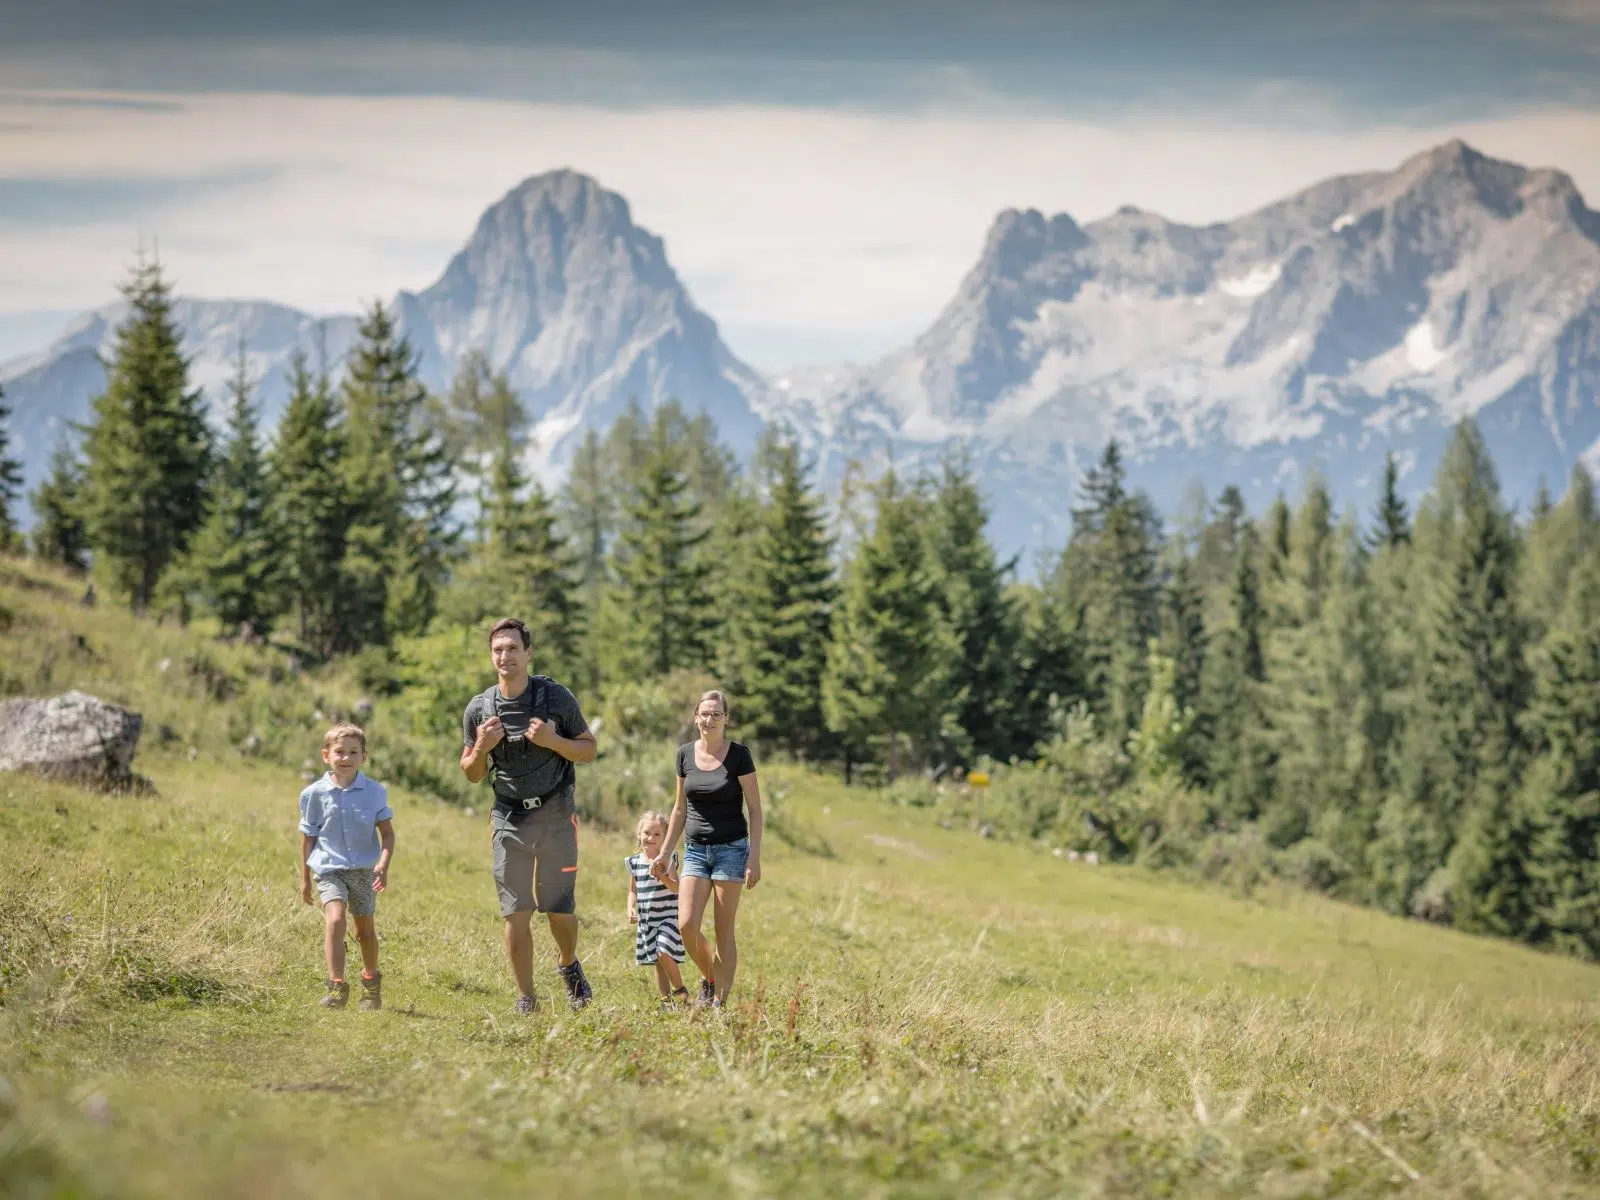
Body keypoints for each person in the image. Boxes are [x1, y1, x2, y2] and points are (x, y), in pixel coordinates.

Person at [461, 617, 598, 1013]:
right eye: (498, 650)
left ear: (528, 653)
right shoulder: (480, 708)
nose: (505, 656)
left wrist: (554, 741)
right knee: (516, 914)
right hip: (508, 818)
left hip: (556, 816)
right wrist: (482, 748)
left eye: (512, 648)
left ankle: (568, 962)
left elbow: (588, 749)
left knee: (558, 911)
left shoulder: (555, 698)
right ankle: (527, 997)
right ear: (492, 656)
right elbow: (470, 773)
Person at [653, 690, 763, 1008]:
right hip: (696, 850)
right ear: (695, 717)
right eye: (704, 713)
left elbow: (755, 809)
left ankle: (719, 1001)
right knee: (686, 924)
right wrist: (665, 852)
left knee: (723, 930)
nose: (710, 719)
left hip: (732, 850)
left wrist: (754, 856)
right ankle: (712, 979)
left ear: (726, 719)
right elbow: (678, 810)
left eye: (717, 714)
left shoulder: (739, 755)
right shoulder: (684, 754)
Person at [298, 723, 394, 1011]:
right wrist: (304, 878)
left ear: (363, 757)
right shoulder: (313, 794)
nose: (346, 758)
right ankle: (336, 985)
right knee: (336, 919)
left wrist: (383, 865)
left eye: (353, 752)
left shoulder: (375, 792)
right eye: (339, 752)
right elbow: (308, 838)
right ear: (326, 755)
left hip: (364, 871)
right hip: (328, 869)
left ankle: (370, 984)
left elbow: (388, 834)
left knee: (365, 932)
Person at [625, 810, 689, 1009]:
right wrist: (630, 907)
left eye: (657, 834)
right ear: (639, 834)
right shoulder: (634, 863)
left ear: (665, 838)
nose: (650, 838)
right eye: (646, 833)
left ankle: (681, 992)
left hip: (668, 917)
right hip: (648, 921)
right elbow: (632, 890)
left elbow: (677, 888)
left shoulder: (667, 861)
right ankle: (666, 1000)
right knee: (658, 961)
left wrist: (661, 876)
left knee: (663, 952)